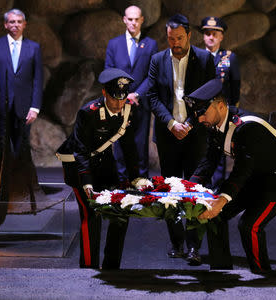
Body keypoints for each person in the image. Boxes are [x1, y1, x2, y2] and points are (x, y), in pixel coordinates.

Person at [183, 79, 276, 273]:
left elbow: (242, 170)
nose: (200, 119)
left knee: (249, 225)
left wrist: (221, 200)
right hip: (255, 177)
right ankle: (221, 271)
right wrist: (186, 187)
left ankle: (263, 275)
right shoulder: (216, 125)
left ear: (220, 106)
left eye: (203, 112)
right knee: (216, 215)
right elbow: (209, 161)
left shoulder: (247, 127)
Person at [147, 14, 215, 265]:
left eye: (178, 38)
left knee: (195, 190)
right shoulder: (157, 60)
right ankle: (176, 243)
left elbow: (209, 95)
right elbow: (153, 96)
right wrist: (171, 123)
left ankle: (194, 246)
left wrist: (188, 124)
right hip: (168, 135)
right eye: (170, 39)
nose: (174, 43)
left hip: (195, 135)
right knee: (171, 191)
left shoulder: (205, 59)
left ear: (189, 36)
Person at [56, 68, 140, 269]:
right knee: (91, 215)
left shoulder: (127, 109)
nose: (119, 104)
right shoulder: (88, 113)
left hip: (104, 164)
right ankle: (88, 267)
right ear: (104, 93)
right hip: (78, 166)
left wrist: (136, 178)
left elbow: (129, 147)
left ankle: (112, 267)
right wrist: (87, 182)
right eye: (114, 98)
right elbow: (81, 150)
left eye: (122, 98)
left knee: (121, 211)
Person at [105, 5, 158, 181]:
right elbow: (108, 72)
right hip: (119, 104)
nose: (133, 23)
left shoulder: (151, 44)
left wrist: (137, 94)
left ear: (142, 20)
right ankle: (121, 188)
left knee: (140, 147)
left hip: (140, 104)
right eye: (130, 19)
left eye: (137, 19)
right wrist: (121, 95)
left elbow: (153, 75)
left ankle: (141, 188)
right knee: (119, 146)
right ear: (124, 20)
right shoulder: (114, 44)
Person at [0, 8, 43, 155]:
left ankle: (19, 176)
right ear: (5, 24)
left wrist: (35, 108)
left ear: (24, 24)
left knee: (22, 149)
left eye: (19, 22)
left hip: (24, 108)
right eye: (12, 21)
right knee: (0, 149)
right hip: (0, 106)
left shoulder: (34, 48)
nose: (15, 25)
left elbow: (38, 79)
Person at [201, 16, 241, 191]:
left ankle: (217, 189)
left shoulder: (229, 58)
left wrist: (232, 112)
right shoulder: (196, 56)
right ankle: (200, 187)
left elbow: (235, 87)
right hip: (201, 112)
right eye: (208, 33)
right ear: (203, 36)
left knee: (219, 151)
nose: (211, 37)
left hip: (221, 114)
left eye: (215, 34)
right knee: (201, 150)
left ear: (221, 36)